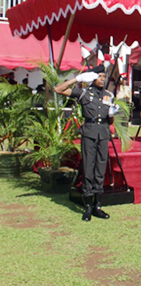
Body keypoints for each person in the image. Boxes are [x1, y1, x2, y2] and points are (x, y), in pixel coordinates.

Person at [54, 65, 116, 221]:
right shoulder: (83, 93)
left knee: (100, 168)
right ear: (92, 77)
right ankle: (88, 205)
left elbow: (110, 120)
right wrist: (78, 79)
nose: (103, 79)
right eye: (100, 76)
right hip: (89, 132)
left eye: (104, 76)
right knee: (88, 167)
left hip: (103, 133)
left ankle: (98, 205)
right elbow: (58, 89)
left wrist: (112, 114)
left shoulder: (109, 95)